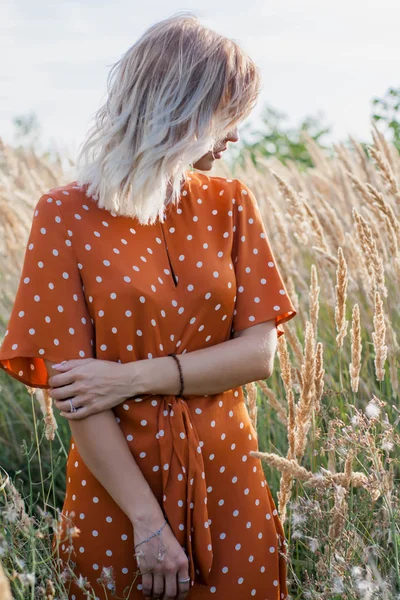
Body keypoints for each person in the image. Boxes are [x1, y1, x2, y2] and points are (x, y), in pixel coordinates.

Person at [0, 12, 297, 600]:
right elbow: (79, 394)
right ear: (177, 108)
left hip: (229, 475)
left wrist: (132, 377)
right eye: (226, 115)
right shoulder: (63, 215)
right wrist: (149, 524)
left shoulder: (232, 203)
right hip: (117, 493)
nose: (236, 135)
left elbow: (259, 354)